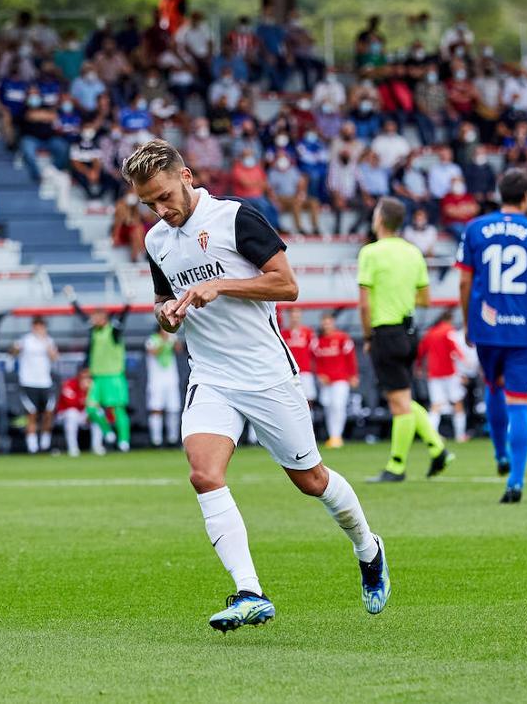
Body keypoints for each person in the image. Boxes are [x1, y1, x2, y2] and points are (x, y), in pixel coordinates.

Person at [124, 140, 389, 631]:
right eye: (149, 204)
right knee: (203, 473)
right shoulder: (156, 240)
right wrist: (166, 315)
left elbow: (287, 285)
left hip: (265, 373)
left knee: (310, 480)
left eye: (163, 197)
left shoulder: (235, 217)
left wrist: (220, 284)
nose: (160, 210)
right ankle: (251, 592)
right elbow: (164, 309)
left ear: (186, 176)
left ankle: (367, 547)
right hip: (211, 375)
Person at [456, 169, 527, 502]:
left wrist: (469, 322)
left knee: (492, 385)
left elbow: (464, 282)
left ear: (500, 193)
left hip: (486, 324)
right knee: (518, 402)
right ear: (526, 196)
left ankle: (499, 453)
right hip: (520, 328)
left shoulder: (475, 228)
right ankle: (515, 480)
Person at [360, 197, 451, 483]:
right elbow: (425, 299)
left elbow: (364, 304)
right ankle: (437, 448)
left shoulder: (371, 253)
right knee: (403, 396)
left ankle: (396, 466)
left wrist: (367, 336)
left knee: (398, 402)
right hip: (409, 333)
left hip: (385, 331)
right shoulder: (414, 252)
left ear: (380, 220)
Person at [65, 286, 132, 451]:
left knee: (118, 409)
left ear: (105, 318)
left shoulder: (113, 332)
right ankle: (107, 431)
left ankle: (124, 440)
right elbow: (81, 316)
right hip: (97, 377)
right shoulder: (93, 332)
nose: (93, 319)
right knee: (91, 407)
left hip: (114, 376)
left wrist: (128, 303)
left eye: (97, 316)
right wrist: (73, 299)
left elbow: (122, 319)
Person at [416, 310, 469, 443]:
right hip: (449, 374)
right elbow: (455, 350)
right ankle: (460, 435)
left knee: (436, 405)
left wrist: (418, 367)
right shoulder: (448, 331)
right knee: (457, 403)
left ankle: (430, 436)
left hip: (434, 374)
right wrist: (465, 364)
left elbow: (420, 352)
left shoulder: (430, 333)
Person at [12, 317, 58, 454]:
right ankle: (32, 447)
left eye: (41, 326)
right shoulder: (25, 340)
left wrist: (45, 342)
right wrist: (15, 348)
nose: (39, 329)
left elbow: (54, 358)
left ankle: (45, 444)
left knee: (48, 413)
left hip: (45, 383)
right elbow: (13, 353)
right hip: (28, 382)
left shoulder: (49, 341)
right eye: (36, 326)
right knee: (31, 414)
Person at [313, 313, 358, 448]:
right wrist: (320, 374)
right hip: (326, 381)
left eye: (329, 322)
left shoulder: (342, 338)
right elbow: (316, 361)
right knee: (328, 406)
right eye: (324, 322)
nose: (326, 324)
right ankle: (332, 435)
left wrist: (353, 375)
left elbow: (351, 358)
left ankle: (337, 436)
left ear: (333, 322)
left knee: (338, 406)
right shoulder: (319, 341)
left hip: (341, 379)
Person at [145, 328, 182, 447]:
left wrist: (174, 340)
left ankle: (173, 439)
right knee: (156, 409)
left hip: (171, 380)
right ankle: (156, 440)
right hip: (156, 381)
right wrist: (164, 341)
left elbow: (179, 350)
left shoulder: (172, 338)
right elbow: (153, 352)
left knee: (173, 409)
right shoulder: (152, 340)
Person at [56, 369, 102, 456]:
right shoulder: (69, 384)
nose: (86, 379)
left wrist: (89, 392)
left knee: (98, 413)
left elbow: (98, 403)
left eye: (88, 376)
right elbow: (70, 403)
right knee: (71, 413)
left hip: (83, 413)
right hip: (66, 414)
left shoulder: (93, 385)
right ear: (78, 375)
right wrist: (84, 395)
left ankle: (97, 446)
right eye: (83, 376)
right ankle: (73, 448)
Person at [283, 308, 317, 404]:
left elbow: (315, 352)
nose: (295, 319)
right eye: (292, 316)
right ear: (289, 317)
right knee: (291, 399)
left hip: (305, 371)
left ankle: (310, 418)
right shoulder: (283, 333)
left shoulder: (309, 333)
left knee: (308, 399)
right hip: (289, 373)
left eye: (297, 316)